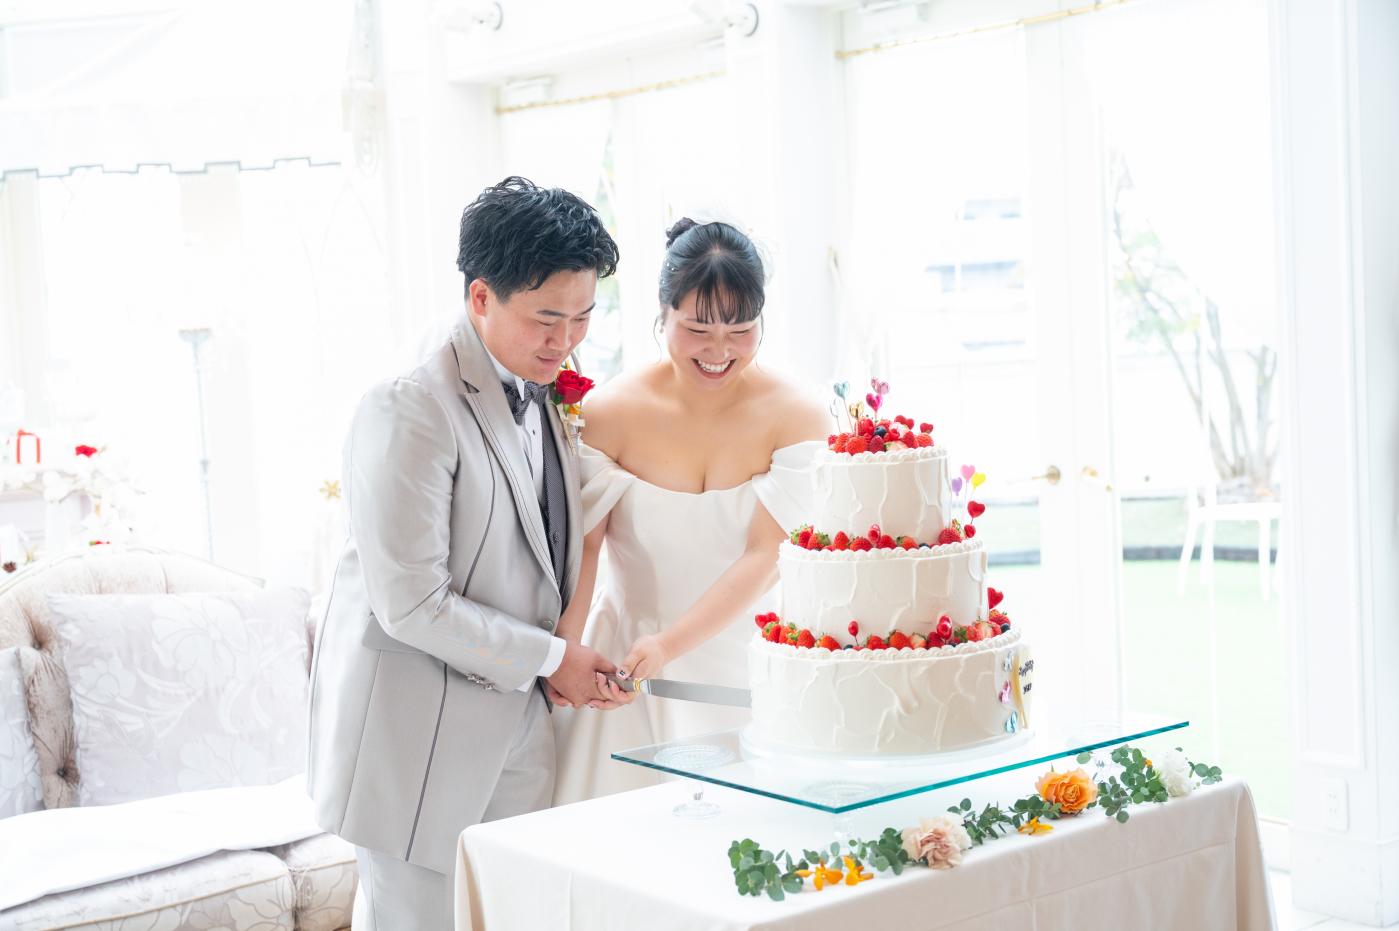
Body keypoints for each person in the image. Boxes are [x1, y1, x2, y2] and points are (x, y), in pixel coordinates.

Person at [306, 177, 629, 929]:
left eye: (582, 317)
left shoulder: (542, 390)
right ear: (481, 297)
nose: (565, 341)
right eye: (546, 318)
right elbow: (412, 603)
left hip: (518, 734)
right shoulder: (409, 406)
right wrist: (552, 658)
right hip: (416, 751)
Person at [552, 218, 827, 804]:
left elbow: (765, 556)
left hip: (745, 666)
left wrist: (669, 646)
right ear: (663, 312)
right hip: (625, 664)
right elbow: (587, 549)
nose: (719, 351)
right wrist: (566, 653)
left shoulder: (798, 415)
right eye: (697, 329)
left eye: (741, 331)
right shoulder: (609, 413)